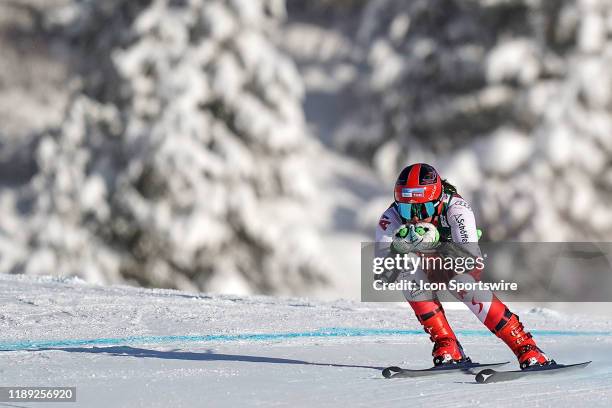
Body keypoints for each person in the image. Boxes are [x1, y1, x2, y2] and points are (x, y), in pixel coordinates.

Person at [375, 163, 553, 369]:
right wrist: (396, 249)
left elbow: (471, 264)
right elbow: (385, 273)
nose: (415, 217)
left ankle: (526, 347)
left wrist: (435, 244)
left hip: (458, 260)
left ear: (438, 200)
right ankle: (447, 344)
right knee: (407, 275)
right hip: (426, 264)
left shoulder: (457, 209)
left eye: (423, 208)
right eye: (407, 208)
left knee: (464, 284)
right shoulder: (391, 218)